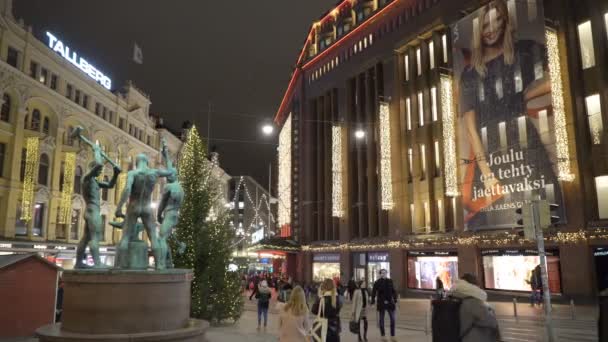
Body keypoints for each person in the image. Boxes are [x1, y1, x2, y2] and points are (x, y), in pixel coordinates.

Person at [457, 0, 562, 227]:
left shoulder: (524, 50)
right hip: (490, 153)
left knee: (546, 221)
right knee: (493, 225)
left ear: (506, 23)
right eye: (485, 25)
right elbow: (471, 130)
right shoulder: (470, 74)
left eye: (497, 21)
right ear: (478, 31)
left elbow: (560, 71)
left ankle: (540, 243)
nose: (491, 29)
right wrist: (487, 174)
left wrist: (525, 95)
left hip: (527, 145)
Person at [74, 131, 121, 269]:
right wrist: (96, 150)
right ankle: (97, 263)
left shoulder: (94, 181)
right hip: (92, 210)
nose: (100, 172)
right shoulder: (86, 179)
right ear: (92, 168)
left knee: (86, 238)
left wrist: (116, 174)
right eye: (98, 171)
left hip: (92, 210)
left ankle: (78, 263)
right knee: (95, 237)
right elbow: (100, 164)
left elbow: (110, 185)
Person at [450, 273, 501, 342]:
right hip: (476, 338)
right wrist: (490, 311)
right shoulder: (473, 301)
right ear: (472, 284)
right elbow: (491, 321)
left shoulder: (457, 297)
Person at [371, 269, 397, 341]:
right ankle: (383, 336)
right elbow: (373, 292)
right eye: (382, 273)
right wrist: (372, 301)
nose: (384, 274)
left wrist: (395, 299)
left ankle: (392, 336)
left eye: (385, 273)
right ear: (380, 274)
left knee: (393, 319)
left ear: (387, 273)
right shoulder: (377, 282)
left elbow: (393, 290)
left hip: (390, 303)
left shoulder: (390, 281)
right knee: (381, 320)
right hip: (381, 303)